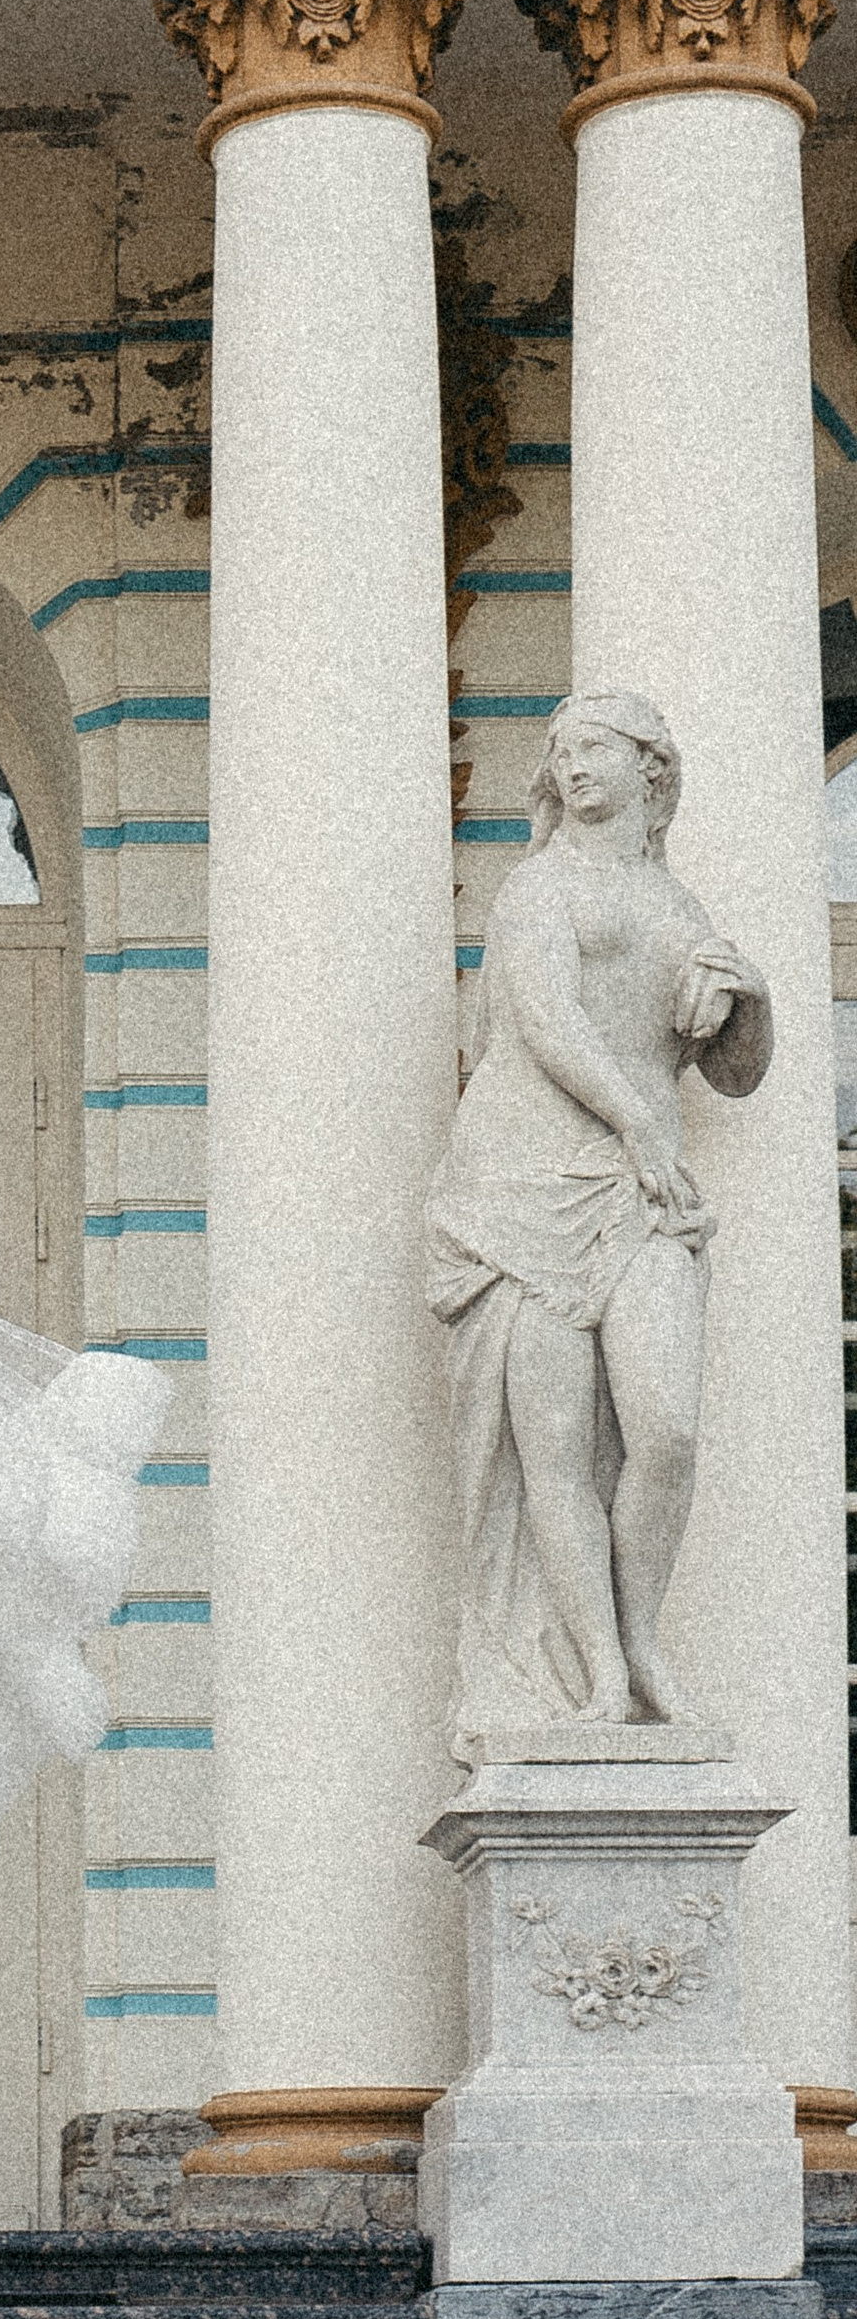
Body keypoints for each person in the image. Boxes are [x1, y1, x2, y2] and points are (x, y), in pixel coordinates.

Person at [425, 688, 770, 1740]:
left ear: (649, 771)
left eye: (593, 750)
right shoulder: (538, 889)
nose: (571, 767)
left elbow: (735, 1074)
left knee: (663, 1427)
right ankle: (602, 1678)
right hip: (524, 1185)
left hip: (638, 1192)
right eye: (560, 752)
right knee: (555, 1453)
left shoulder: (679, 908)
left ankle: (644, 1636)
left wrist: (751, 1000)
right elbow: (544, 1019)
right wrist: (639, 1126)